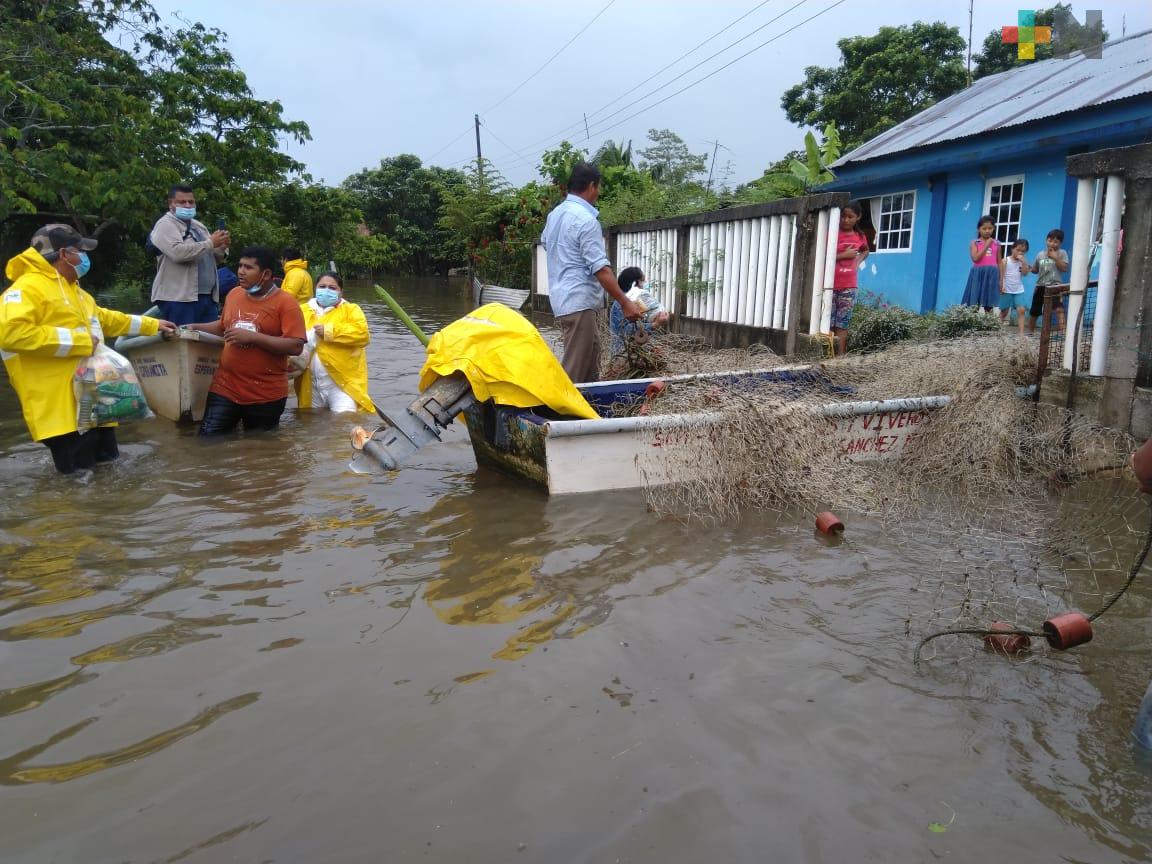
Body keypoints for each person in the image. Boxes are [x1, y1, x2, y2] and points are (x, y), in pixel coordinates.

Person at [0, 224, 176, 473]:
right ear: (63, 254)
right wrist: (79, 341)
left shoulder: (74, 291)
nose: (84, 257)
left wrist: (153, 325)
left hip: (93, 401)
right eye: (80, 250)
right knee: (77, 482)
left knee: (108, 468)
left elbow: (105, 319)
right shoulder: (24, 290)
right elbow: (11, 334)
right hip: (60, 411)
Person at [185, 246, 306, 436]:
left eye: (248, 267)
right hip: (224, 388)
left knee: (259, 453)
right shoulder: (234, 294)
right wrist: (194, 327)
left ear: (266, 274)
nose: (241, 271)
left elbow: (296, 345)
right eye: (240, 265)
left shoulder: (287, 303)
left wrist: (253, 337)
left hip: (266, 395)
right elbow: (223, 327)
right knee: (207, 443)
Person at [540, 162, 642, 383]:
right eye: (599, 187)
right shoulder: (586, 220)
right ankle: (559, 415)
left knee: (591, 360)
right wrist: (625, 302)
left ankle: (591, 410)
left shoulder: (555, 215)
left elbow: (546, 243)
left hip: (563, 300)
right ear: (592, 186)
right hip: (578, 302)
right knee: (574, 370)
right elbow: (601, 270)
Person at [294, 272, 375, 413]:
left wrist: (329, 332)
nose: (326, 290)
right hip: (310, 383)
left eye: (332, 288)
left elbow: (362, 335)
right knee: (310, 424)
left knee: (344, 423)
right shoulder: (302, 310)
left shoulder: (351, 310)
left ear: (341, 291)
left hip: (341, 384)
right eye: (322, 286)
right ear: (315, 288)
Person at [149, 184, 230, 325]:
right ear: (171, 203)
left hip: (207, 297)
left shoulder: (198, 225)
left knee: (207, 343)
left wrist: (221, 248)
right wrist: (211, 243)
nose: (187, 206)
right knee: (184, 341)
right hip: (179, 299)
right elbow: (178, 253)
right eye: (182, 202)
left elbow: (211, 258)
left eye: (191, 202)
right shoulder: (165, 224)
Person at [831, 201, 870, 355]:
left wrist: (857, 262)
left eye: (850, 217)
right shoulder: (833, 233)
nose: (845, 220)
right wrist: (843, 255)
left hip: (849, 286)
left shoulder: (859, 236)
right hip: (830, 285)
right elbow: (822, 255)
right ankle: (828, 355)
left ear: (858, 217)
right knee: (829, 323)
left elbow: (865, 251)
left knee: (842, 324)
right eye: (843, 216)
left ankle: (840, 357)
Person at [609, 267, 670, 354]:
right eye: (643, 280)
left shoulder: (637, 300)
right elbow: (625, 330)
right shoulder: (621, 304)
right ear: (634, 284)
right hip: (623, 355)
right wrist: (654, 325)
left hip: (637, 354)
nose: (645, 284)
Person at [1029, 228, 1070, 334]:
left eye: (1056, 242)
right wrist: (1028, 267)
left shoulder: (1062, 253)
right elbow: (1035, 270)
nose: (1052, 243)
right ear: (1046, 240)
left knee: (1059, 309)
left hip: (1055, 286)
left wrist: (1055, 258)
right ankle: (1030, 332)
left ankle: (1063, 333)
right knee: (1035, 311)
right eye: (1050, 240)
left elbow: (1064, 268)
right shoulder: (1040, 254)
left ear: (1060, 243)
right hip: (1041, 286)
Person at [961, 215, 1002, 313]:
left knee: (990, 301)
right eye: (984, 228)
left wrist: (1001, 279)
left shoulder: (997, 244)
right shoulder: (975, 242)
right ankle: (972, 323)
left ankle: (986, 323)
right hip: (978, 274)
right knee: (974, 300)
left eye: (990, 228)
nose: (987, 231)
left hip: (992, 274)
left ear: (994, 228)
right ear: (979, 229)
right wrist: (987, 244)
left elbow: (999, 262)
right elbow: (975, 258)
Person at [999, 238, 1031, 335]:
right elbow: (1002, 275)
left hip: (1018, 289)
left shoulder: (1022, 262)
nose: (1020, 253)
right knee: (1004, 311)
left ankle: (1021, 334)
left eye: (1023, 251)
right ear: (1012, 249)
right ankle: (998, 330)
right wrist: (1002, 286)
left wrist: (1024, 262)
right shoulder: (1005, 261)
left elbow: (1025, 274)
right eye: (1018, 250)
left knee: (1021, 310)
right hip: (1007, 289)